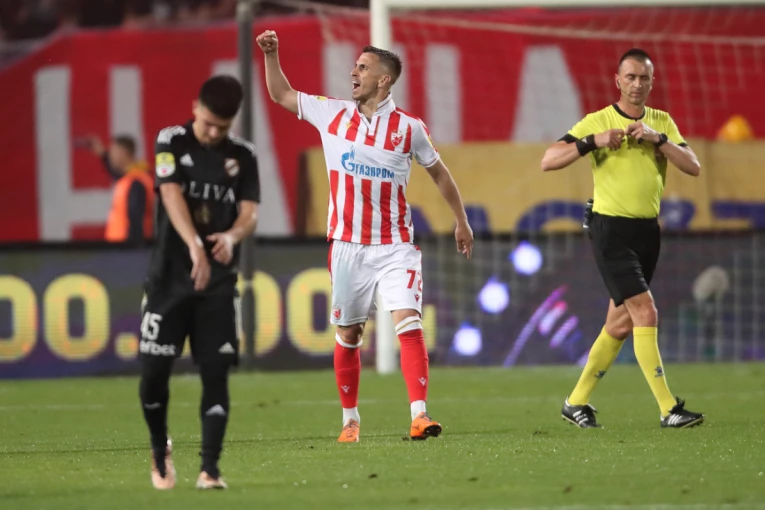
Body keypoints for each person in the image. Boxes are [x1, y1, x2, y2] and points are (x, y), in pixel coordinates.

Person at [257, 30, 474, 442]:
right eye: (355, 66)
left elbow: (440, 174)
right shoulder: (332, 114)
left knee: (409, 323)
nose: (353, 73)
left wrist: (460, 220)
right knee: (350, 335)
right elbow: (281, 94)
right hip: (347, 246)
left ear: (384, 79)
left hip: (396, 245)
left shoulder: (409, 128)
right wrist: (272, 54)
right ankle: (350, 420)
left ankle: (420, 416)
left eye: (362, 67)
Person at [541, 48, 704, 429]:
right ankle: (668, 408)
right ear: (617, 80)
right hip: (610, 229)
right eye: (630, 77)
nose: (637, 84)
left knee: (619, 324)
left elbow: (693, 166)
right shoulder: (599, 120)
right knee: (646, 311)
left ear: (652, 82)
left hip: (647, 232)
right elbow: (549, 159)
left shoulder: (661, 122)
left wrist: (658, 140)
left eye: (644, 77)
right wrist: (592, 141)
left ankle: (575, 402)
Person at [138, 75, 260, 490]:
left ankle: (210, 469)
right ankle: (159, 447)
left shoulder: (243, 155)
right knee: (153, 375)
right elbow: (170, 194)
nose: (212, 133)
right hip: (169, 279)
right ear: (195, 108)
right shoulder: (170, 141)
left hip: (218, 284)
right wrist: (194, 245)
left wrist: (232, 237)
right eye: (208, 124)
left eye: (221, 128)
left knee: (216, 373)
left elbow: (249, 213)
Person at [80, 134, 154, 243]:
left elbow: (135, 220)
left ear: (123, 153)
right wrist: (103, 155)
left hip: (126, 248)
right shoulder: (130, 178)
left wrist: (134, 249)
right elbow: (116, 174)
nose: (111, 156)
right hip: (121, 247)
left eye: (113, 152)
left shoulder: (135, 183)